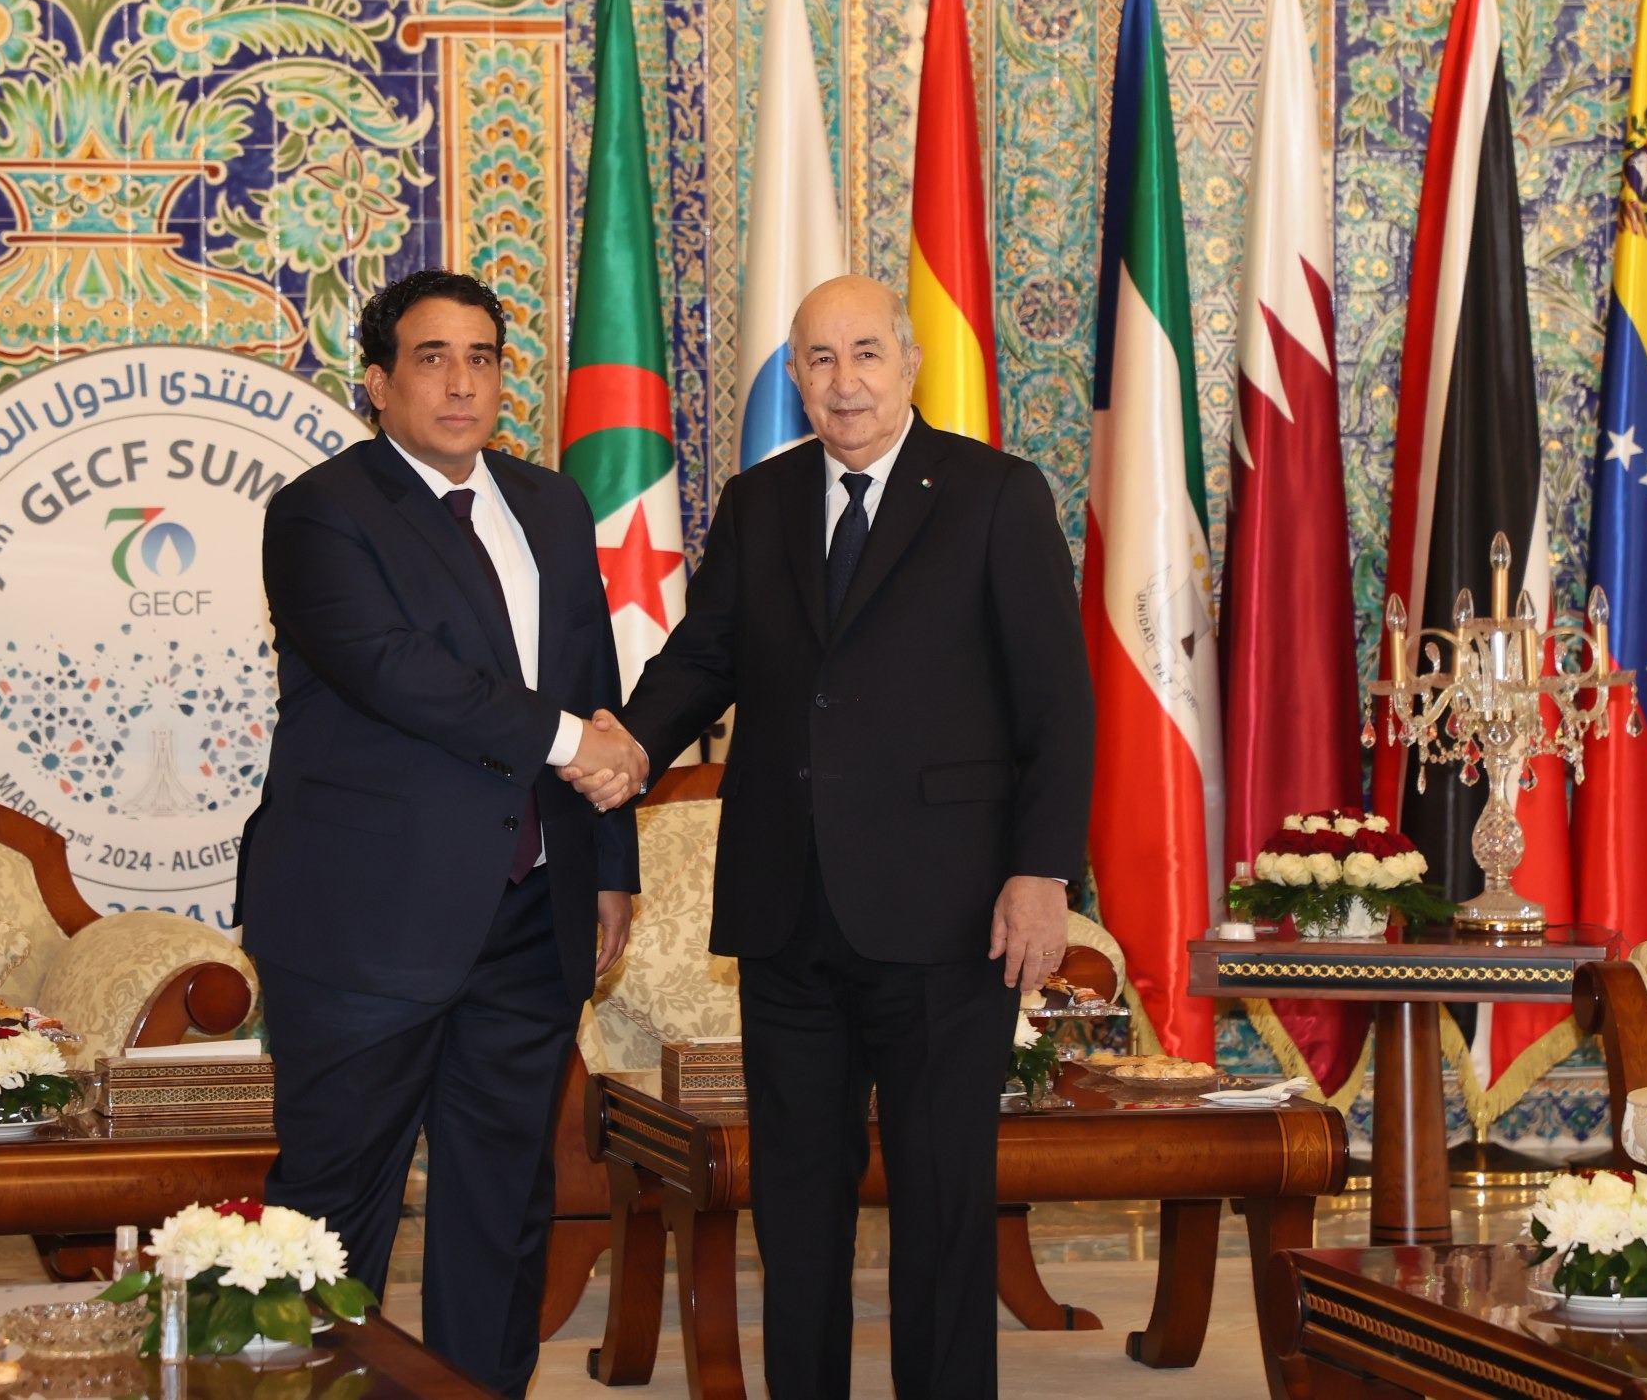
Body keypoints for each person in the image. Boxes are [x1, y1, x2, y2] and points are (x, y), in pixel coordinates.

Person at [585, 274, 1093, 1400]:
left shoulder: (995, 494)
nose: (845, 381)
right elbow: (703, 657)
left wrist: (1040, 870)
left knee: (942, 1203)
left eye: (866, 353)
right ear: (796, 378)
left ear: (909, 362)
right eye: (819, 358)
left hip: (948, 912)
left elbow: (1058, 704)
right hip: (787, 911)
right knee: (797, 1208)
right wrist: (629, 745)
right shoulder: (758, 500)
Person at [239, 270, 644, 1398]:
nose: (462, 382)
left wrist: (609, 865)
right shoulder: (321, 511)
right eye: (432, 357)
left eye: (483, 357)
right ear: (378, 383)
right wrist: (571, 740)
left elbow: (593, 681)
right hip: (364, 923)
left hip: (531, 914)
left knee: (504, 1207)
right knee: (331, 1212)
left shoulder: (552, 504)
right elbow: (397, 672)